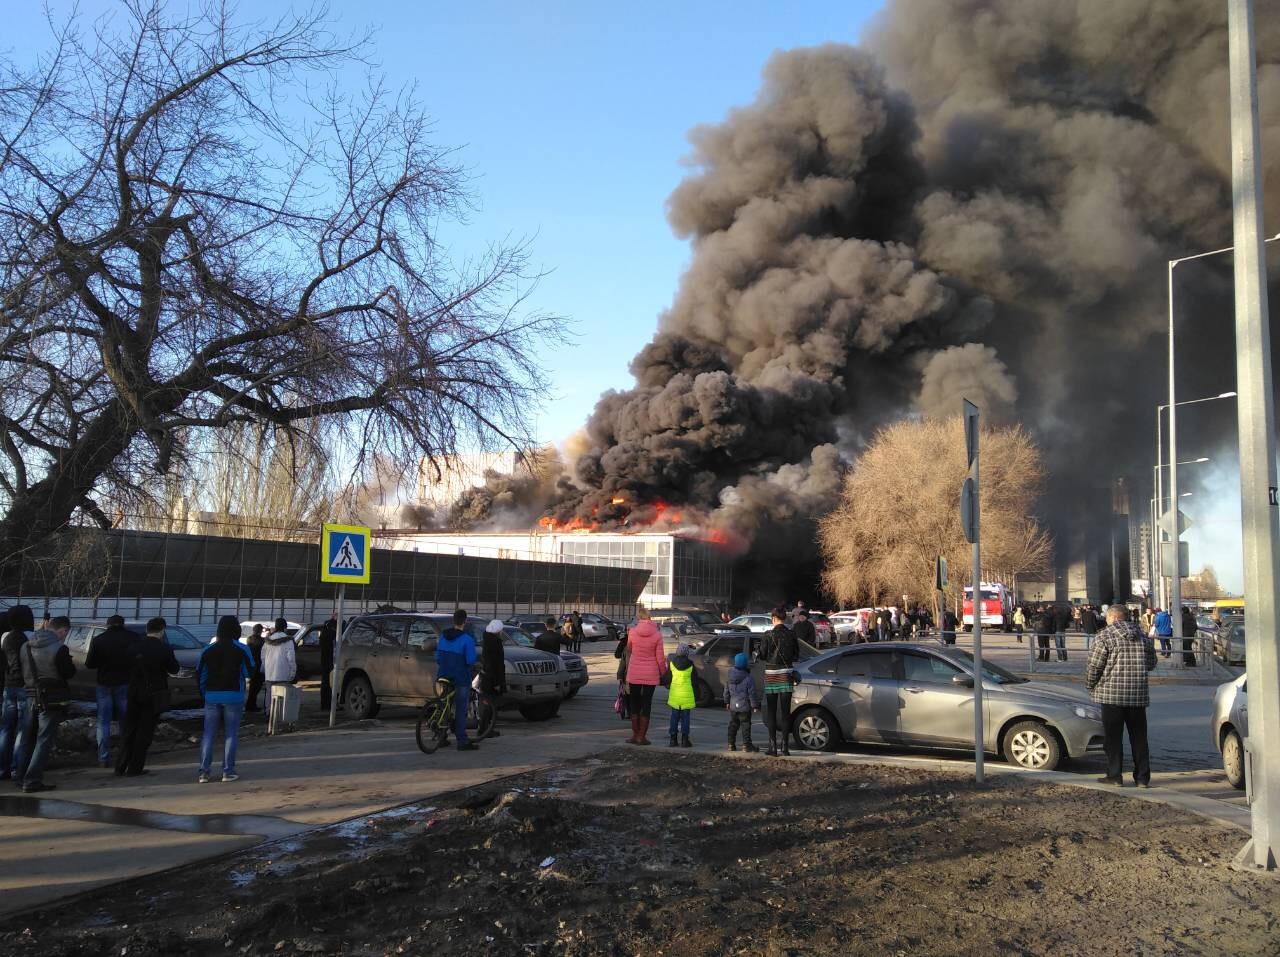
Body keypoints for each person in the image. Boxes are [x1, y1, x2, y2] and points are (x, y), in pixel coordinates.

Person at [1086, 605, 1157, 788]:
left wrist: (1090, 685)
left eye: (1108, 618)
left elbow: (1094, 666)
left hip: (1111, 696)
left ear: (1113, 618)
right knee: (1139, 738)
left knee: (1113, 739)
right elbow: (1151, 663)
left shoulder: (1104, 636)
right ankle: (1142, 778)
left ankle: (1114, 775)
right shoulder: (1142, 637)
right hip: (1137, 695)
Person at [16, 615, 76, 793]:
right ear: (62, 630)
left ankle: (20, 776)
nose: (65, 636)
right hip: (51, 698)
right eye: (65, 633)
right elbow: (68, 673)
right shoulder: (59, 648)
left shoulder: (25, 645)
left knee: (27, 737)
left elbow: (20, 670)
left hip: (28, 695)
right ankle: (32, 780)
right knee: (43, 739)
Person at [116, 617, 179, 777]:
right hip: (154, 694)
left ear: (147, 630)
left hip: (134, 691)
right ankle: (135, 768)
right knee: (144, 732)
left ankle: (120, 765)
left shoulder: (133, 647)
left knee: (129, 729)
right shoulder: (164, 649)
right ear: (162, 631)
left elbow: (124, 668)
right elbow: (174, 669)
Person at [196, 615, 255, 783]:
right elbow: (249, 671)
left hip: (212, 696)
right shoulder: (242, 648)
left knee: (208, 734)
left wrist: (204, 694)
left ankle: (204, 772)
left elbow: (201, 675)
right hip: (234, 695)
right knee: (231, 734)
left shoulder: (208, 649)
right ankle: (227, 772)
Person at [86, 614, 138, 768]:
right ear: (123, 624)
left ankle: (103, 757)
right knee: (126, 721)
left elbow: (90, 664)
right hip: (126, 683)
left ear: (107, 625)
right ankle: (126, 754)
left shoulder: (99, 640)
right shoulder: (133, 638)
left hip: (104, 683)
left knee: (103, 722)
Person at [436, 609, 479, 752]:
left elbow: (437, 658)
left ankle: (440, 736)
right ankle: (462, 741)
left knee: (443, 705)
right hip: (460, 677)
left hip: (443, 675)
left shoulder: (443, 636)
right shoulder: (467, 639)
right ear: (465, 621)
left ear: (453, 621)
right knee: (461, 709)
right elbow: (471, 660)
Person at [624, 607, 667, 746]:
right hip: (651, 673)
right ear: (650, 618)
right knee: (646, 703)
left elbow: (629, 649)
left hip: (634, 672)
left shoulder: (632, 632)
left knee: (634, 703)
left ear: (639, 618)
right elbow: (660, 658)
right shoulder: (657, 634)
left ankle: (634, 735)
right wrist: (663, 672)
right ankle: (641, 737)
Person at [759, 608, 798, 757]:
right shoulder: (792, 634)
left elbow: (762, 655)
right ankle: (785, 747)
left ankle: (772, 747)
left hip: (771, 675)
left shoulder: (768, 635)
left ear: (774, 618)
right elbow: (796, 654)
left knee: (771, 712)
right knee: (785, 712)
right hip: (786, 674)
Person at [0, 606, 33, 782]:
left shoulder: (5, 638)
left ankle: (2, 769)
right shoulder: (27, 638)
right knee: (22, 730)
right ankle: (17, 770)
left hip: (8, 685)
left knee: (5, 729)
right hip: (24, 686)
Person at [260, 618, 297, 725]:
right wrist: (293, 672)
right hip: (283, 673)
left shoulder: (268, 640)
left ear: (275, 627)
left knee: (269, 695)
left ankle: (268, 714)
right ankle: (280, 716)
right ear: (285, 628)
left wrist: (264, 669)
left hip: (269, 673)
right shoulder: (288, 641)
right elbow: (291, 657)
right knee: (282, 696)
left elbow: (262, 657)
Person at [726, 651, 761, 752]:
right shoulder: (748, 678)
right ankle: (746, 745)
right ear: (745, 664)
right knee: (746, 725)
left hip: (733, 706)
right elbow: (752, 693)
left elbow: (726, 690)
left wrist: (727, 701)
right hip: (745, 707)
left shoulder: (730, 676)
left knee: (733, 725)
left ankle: (730, 744)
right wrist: (755, 706)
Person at [665, 641, 695, 748]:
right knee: (685, 718)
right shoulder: (691, 665)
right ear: (687, 653)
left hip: (675, 695)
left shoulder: (672, 664)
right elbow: (695, 681)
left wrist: (666, 684)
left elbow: (667, 678)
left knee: (674, 717)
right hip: (687, 695)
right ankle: (685, 740)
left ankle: (673, 739)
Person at [480, 619, 506, 739]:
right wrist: (499, 682)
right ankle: (486, 729)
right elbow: (498, 664)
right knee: (491, 705)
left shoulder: (486, 640)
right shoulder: (496, 643)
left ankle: (485, 728)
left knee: (487, 704)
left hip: (486, 676)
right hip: (492, 678)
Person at [244, 624, 266, 712]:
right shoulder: (262, 641)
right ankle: (251, 705)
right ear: (260, 631)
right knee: (256, 686)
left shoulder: (249, 639)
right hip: (259, 665)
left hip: (252, 665)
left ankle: (250, 705)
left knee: (252, 686)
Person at [318, 616, 337, 711]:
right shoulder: (332, 634)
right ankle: (329, 704)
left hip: (324, 661)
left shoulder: (323, 633)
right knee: (329, 684)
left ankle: (324, 704)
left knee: (325, 683)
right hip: (330, 662)